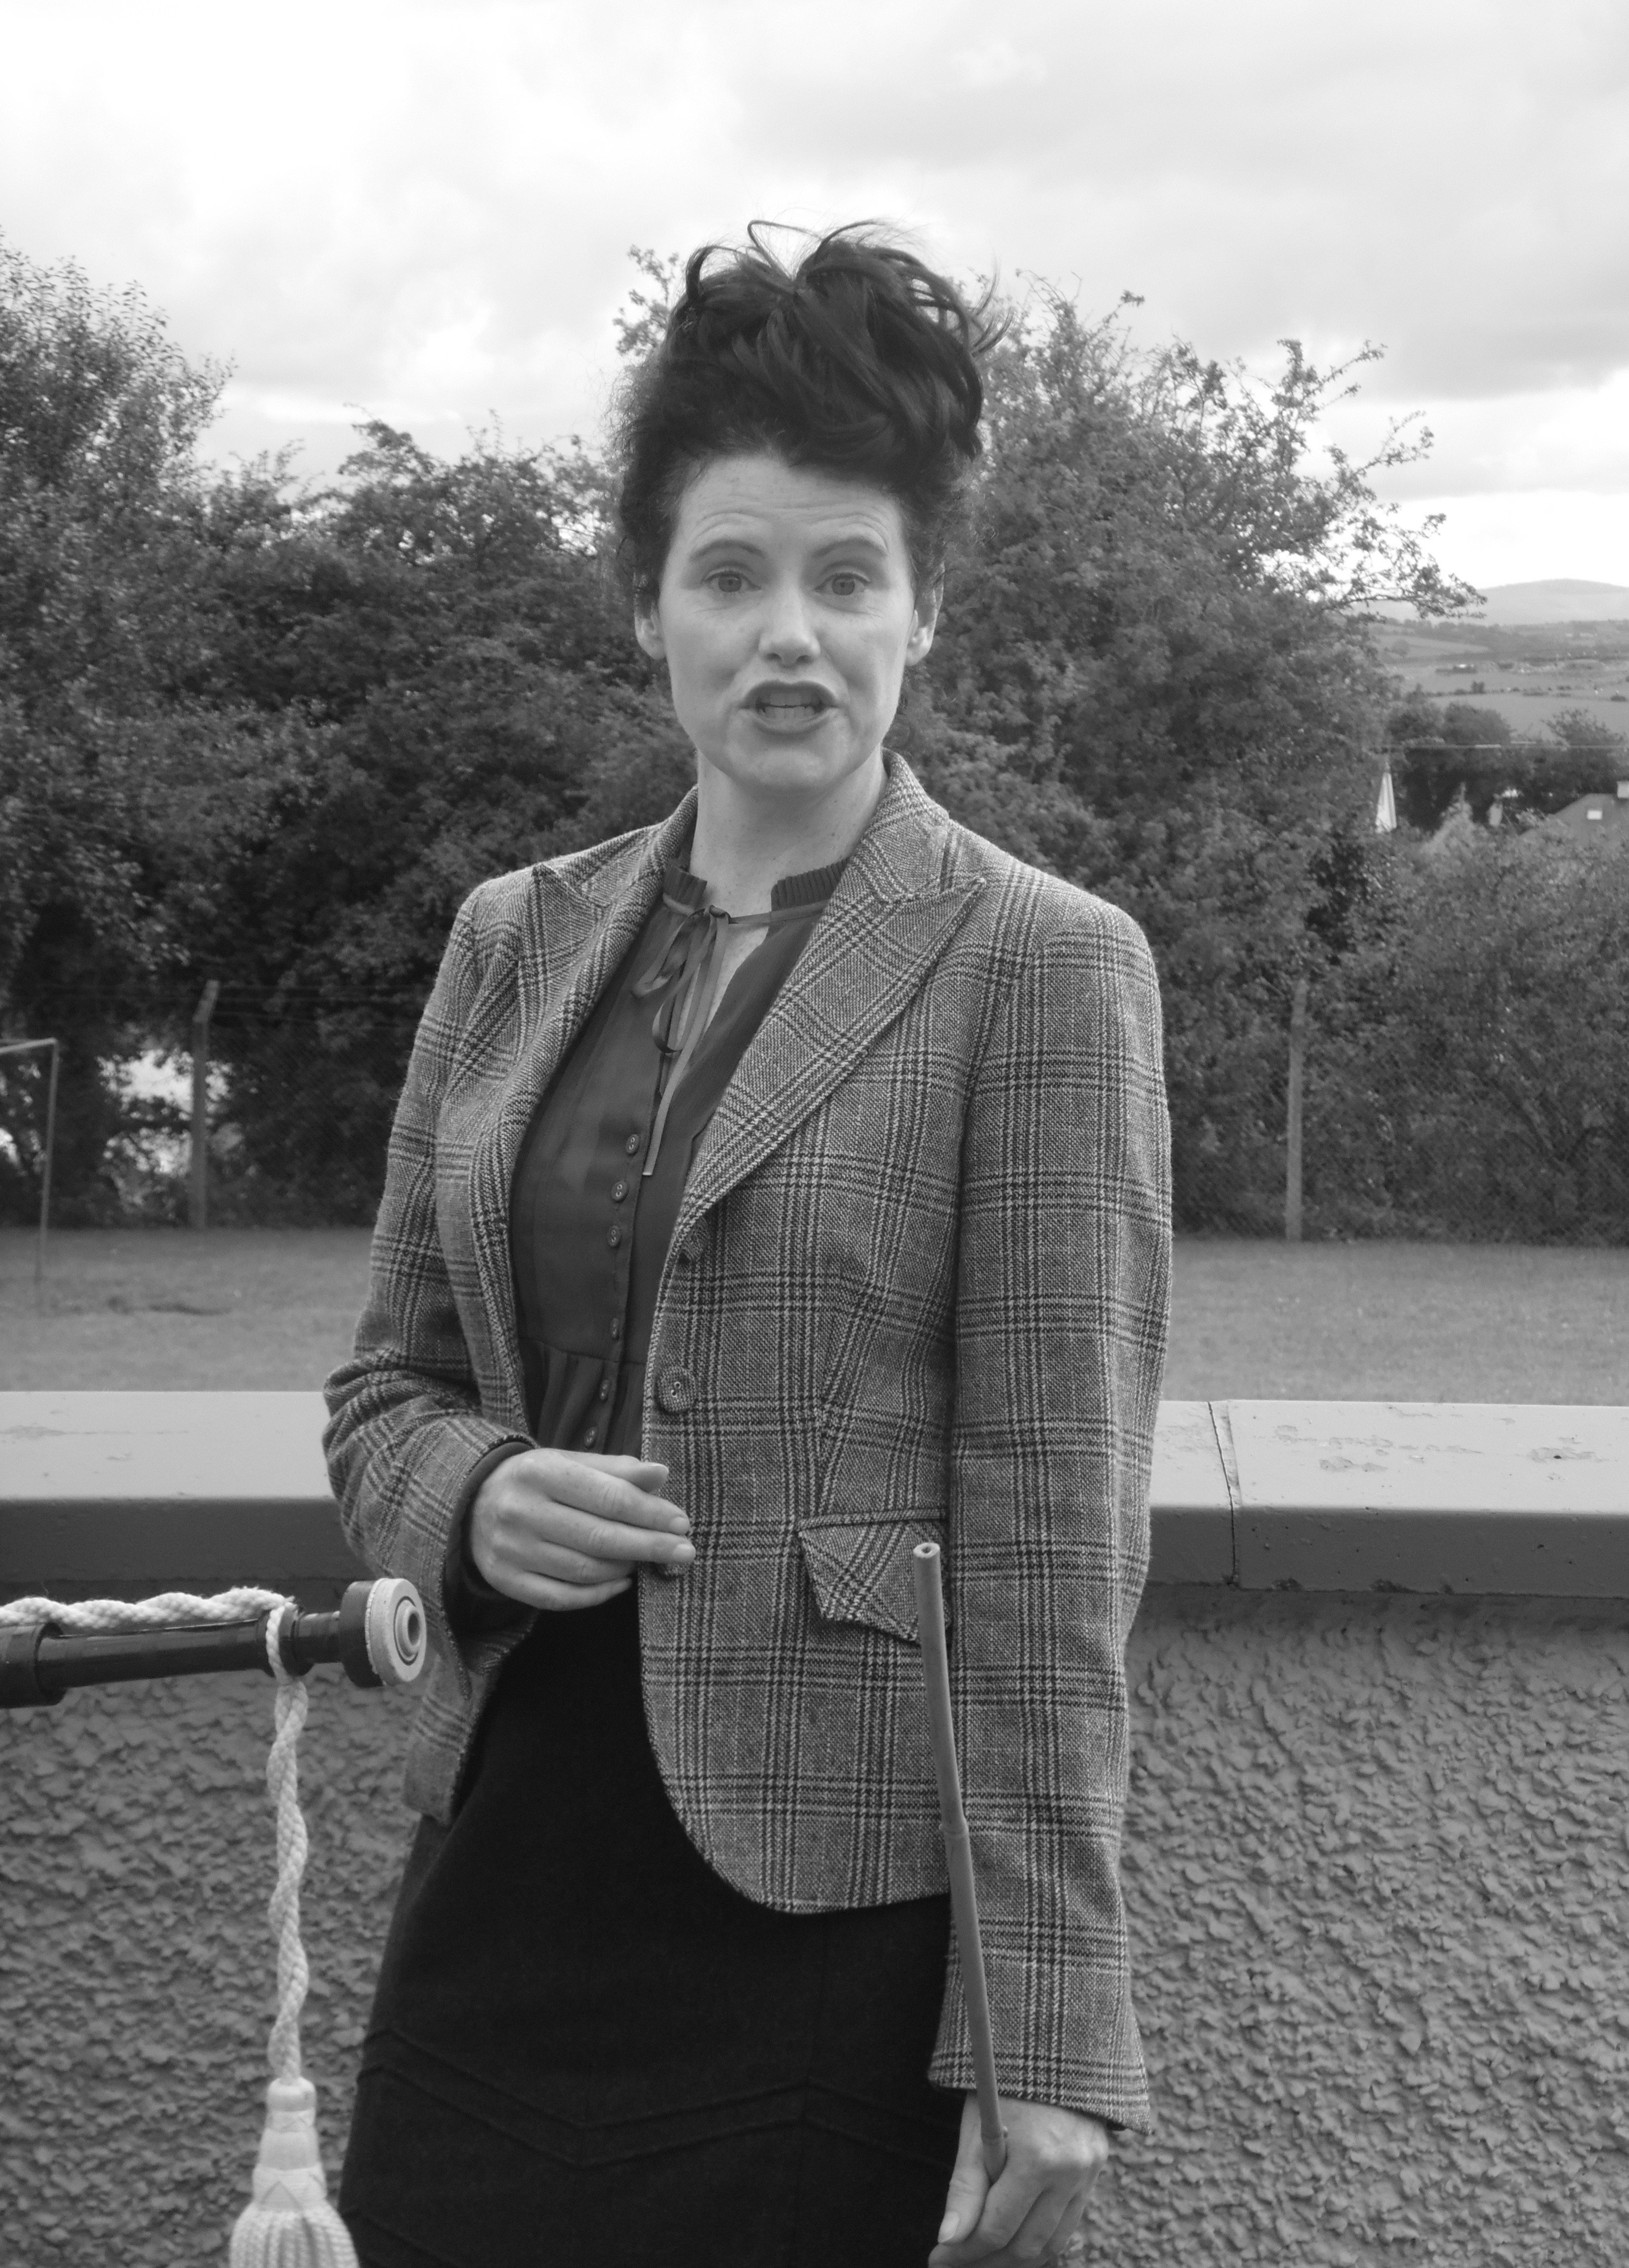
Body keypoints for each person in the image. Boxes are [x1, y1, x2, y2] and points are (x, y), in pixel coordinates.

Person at [324, 223, 1172, 2268]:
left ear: (923, 612)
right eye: (729, 575)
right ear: (649, 607)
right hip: (506, 1862)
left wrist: (1049, 2024)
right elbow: (383, 1388)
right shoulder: (509, 940)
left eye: (847, 577)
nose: (790, 634)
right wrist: (470, 1493)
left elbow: (1056, 1534)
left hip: (838, 1930)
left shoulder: (1045, 968)